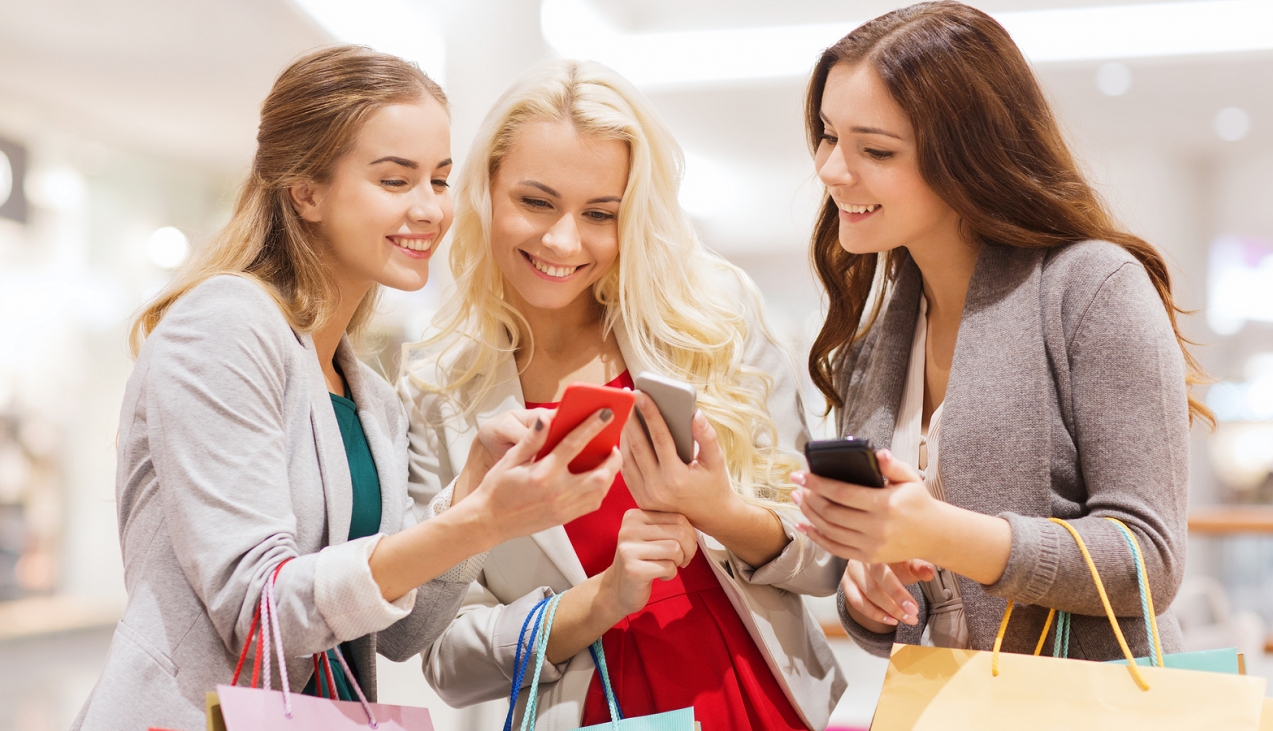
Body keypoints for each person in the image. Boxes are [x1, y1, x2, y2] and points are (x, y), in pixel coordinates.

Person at [73, 46, 620, 731]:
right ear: (306, 190)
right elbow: (259, 611)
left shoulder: (373, 399)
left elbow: (397, 632)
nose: (429, 209)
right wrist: (479, 520)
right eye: (396, 180)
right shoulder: (225, 324)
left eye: (440, 179)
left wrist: (469, 499)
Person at [402, 60, 845, 731]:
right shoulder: (439, 391)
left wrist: (717, 510)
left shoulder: (712, 323)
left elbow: (825, 559)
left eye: (600, 213)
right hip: (591, 710)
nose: (563, 240)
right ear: (486, 189)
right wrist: (599, 601)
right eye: (537, 201)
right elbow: (443, 658)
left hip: (750, 695)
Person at [791, 1, 1205, 661]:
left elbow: (1149, 559)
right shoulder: (880, 338)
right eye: (828, 134)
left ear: (969, 158)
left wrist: (947, 533)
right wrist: (872, 589)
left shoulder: (1092, 287)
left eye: (875, 148)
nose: (832, 168)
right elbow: (910, 602)